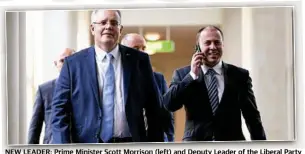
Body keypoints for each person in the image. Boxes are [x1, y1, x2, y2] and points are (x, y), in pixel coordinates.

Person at [51, 10, 164, 143]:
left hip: (131, 144)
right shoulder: (73, 64)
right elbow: (59, 111)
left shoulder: (140, 60)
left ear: (120, 29)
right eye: (103, 22)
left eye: (114, 23)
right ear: (93, 28)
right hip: (88, 145)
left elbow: (154, 109)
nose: (108, 26)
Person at [163, 26, 267, 141]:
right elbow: (169, 104)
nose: (213, 47)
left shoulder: (239, 75)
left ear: (222, 45)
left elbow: (252, 116)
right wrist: (192, 75)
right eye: (207, 43)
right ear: (198, 47)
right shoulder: (183, 74)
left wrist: (261, 146)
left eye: (217, 42)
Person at [121, 33, 175, 142]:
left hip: (154, 141)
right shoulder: (118, 78)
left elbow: (166, 112)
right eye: (136, 48)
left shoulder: (158, 78)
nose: (142, 52)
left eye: (144, 48)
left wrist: (168, 139)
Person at [27, 48, 75, 144]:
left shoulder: (85, 88)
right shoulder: (44, 90)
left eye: (71, 60)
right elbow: (35, 127)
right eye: (62, 60)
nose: (66, 63)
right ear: (56, 64)